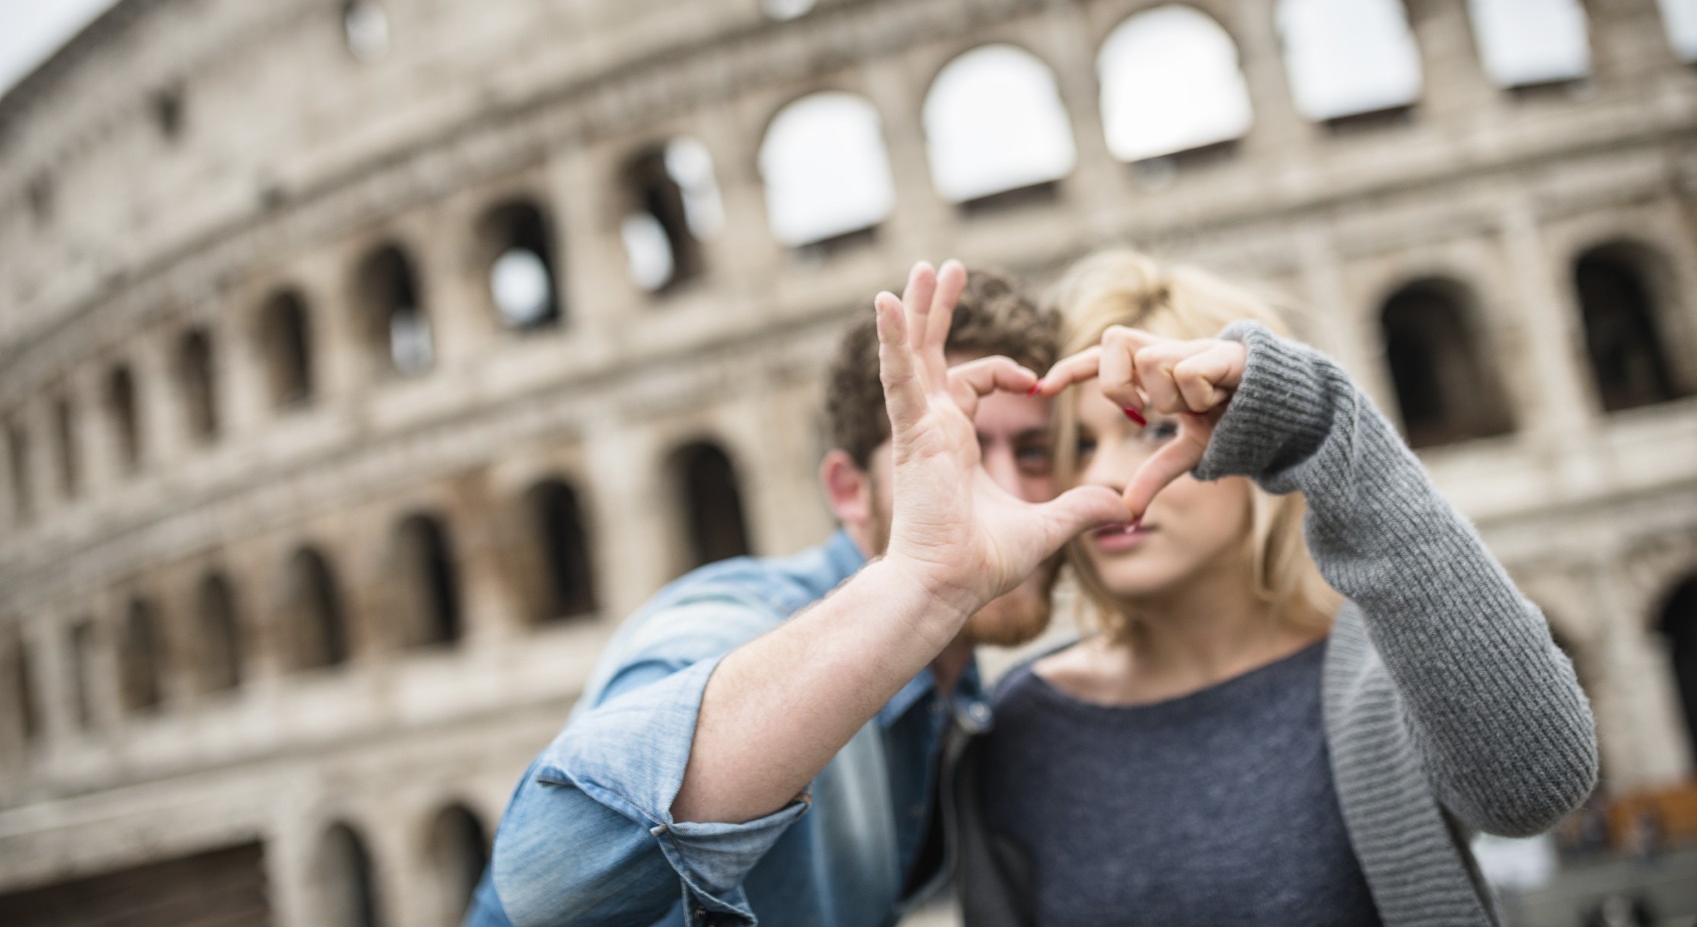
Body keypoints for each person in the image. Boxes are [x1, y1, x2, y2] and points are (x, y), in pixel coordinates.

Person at [465, 262, 1132, 927]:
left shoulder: (959, 693)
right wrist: (922, 585)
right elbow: (547, 879)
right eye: (962, 449)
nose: (1005, 490)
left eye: (1036, 453)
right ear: (847, 491)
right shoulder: (745, 621)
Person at [952, 248, 1600, 926]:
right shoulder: (1016, 726)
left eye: (1156, 429)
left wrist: (1319, 422)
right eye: (1078, 445)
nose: (1105, 475)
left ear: (1252, 436)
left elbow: (1537, 787)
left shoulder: (1384, 673)